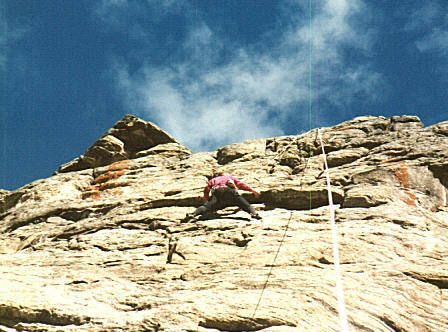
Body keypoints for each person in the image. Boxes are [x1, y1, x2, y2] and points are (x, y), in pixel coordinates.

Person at [183, 170, 262, 222]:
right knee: (242, 202)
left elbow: (206, 190)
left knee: (208, 206)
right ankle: (254, 213)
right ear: (224, 174)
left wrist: (207, 200)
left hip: (217, 192)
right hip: (229, 191)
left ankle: (192, 214)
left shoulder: (213, 180)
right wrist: (252, 190)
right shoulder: (229, 177)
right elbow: (240, 185)